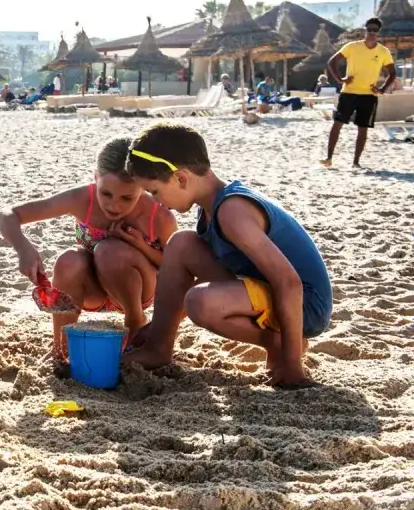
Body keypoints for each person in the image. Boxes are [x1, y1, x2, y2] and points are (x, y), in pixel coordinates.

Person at [124, 124, 331, 388]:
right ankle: (158, 346)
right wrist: (158, 324)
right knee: (182, 243)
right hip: (265, 291)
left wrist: (291, 366)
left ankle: (282, 344)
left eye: (154, 191)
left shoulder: (232, 211)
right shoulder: (210, 206)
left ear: (181, 179)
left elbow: (289, 282)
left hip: (305, 305)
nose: (156, 201)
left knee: (200, 301)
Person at [0, 138, 177, 359]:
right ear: (96, 179)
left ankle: (135, 322)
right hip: (95, 290)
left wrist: (139, 245)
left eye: (127, 197)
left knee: (108, 251)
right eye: (106, 193)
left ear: (142, 187)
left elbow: (176, 267)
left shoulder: (158, 215)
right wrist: (23, 248)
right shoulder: (83, 199)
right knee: (68, 261)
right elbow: (6, 215)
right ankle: (61, 348)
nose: (114, 205)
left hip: (139, 292)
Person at [322, 17, 396, 168]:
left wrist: (382, 89)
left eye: (375, 30)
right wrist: (340, 79)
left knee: (363, 129)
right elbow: (332, 62)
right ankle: (329, 158)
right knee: (337, 124)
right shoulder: (352, 47)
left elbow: (392, 74)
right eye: (369, 29)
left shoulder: (383, 51)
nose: (372, 32)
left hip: (369, 96)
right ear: (365, 30)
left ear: (378, 33)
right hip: (348, 93)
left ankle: (356, 162)